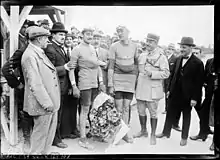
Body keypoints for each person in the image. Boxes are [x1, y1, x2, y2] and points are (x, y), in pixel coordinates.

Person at [156, 37, 204, 146]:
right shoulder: (178, 59)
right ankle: (165, 132)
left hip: (188, 96)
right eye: (181, 47)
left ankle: (184, 137)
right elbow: (173, 76)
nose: (181, 49)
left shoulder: (198, 63)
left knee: (186, 116)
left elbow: (198, 83)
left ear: (191, 48)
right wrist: (169, 90)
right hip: (175, 93)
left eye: (184, 47)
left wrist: (194, 98)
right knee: (170, 113)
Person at [21, 26, 60, 154]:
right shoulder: (30, 55)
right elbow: (35, 83)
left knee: (47, 139)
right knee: (39, 141)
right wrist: (47, 103)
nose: (47, 41)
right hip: (43, 105)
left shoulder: (37, 52)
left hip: (49, 103)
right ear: (39, 39)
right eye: (46, 38)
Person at [2, 21, 37, 152]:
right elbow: (6, 69)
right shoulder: (22, 51)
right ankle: (27, 139)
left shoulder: (41, 51)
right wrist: (17, 84)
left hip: (38, 88)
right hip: (26, 87)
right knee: (26, 114)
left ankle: (36, 139)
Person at [68, 27, 105, 150]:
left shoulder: (93, 49)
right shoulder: (76, 49)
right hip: (84, 83)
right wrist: (74, 86)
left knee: (93, 109)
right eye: (88, 34)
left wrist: (101, 82)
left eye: (91, 34)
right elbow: (71, 69)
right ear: (82, 35)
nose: (90, 37)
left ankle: (93, 133)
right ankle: (82, 137)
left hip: (95, 83)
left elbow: (98, 65)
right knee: (84, 110)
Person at [134, 33, 170, 145]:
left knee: (153, 113)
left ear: (156, 43)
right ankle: (143, 130)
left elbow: (166, 73)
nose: (147, 43)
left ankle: (153, 134)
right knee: (140, 111)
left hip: (152, 90)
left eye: (151, 41)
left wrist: (153, 73)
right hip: (141, 88)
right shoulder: (142, 55)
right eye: (147, 41)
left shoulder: (161, 57)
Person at [108, 26, 139, 143]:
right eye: (118, 32)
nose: (120, 33)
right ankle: (117, 133)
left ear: (128, 32)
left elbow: (137, 65)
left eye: (122, 31)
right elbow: (111, 66)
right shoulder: (113, 46)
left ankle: (125, 133)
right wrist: (110, 84)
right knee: (118, 108)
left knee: (127, 107)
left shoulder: (135, 46)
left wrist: (135, 80)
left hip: (130, 80)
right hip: (118, 79)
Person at [44, 22, 72, 149]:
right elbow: (48, 70)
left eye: (64, 35)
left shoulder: (61, 47)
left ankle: (59, 135)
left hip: (63, 85)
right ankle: (55, 139)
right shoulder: (50, 49)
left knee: (60, 113)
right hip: (56, 86)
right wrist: (64, 67)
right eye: (60, 34)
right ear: (53, 35)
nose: (63, 37)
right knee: (56, 114)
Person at [190, 57, 215, 142]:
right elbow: (205, 76)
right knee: (204, 113)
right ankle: (203, 133)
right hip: (209, 94)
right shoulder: (210, 61)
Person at [60, 33, 80, 139]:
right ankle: (65, 131)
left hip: (75, 82)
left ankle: (73, 129)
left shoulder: (74, 51)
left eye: (70, 39)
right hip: (67, 84)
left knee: (73, 107)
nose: (68, 41)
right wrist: (70, 86)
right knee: (66, 108)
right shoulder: (63, 51)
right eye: (66, 39)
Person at [162, 43, 182, 132]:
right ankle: (166, 109)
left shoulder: (176, 59)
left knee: (172, 100)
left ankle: (175, 123)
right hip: (165, 80)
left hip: (172, 81)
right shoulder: (165, 58)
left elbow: (174, 73)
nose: (169, 50)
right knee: (166, 96)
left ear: (173, 50)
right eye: (168, 48)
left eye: (171, 48)